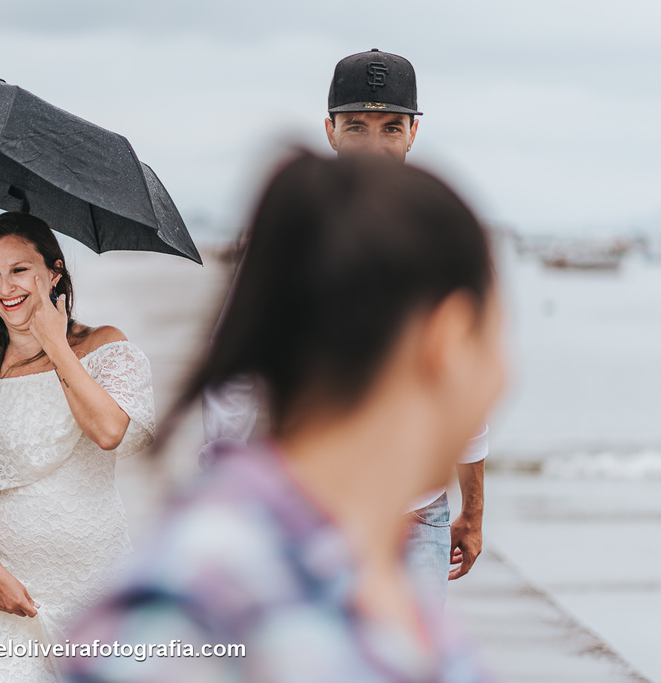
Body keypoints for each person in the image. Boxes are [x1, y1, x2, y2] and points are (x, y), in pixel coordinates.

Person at [66, 152, 506, 683]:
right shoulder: (212, 594)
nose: (504, 374)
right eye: (496, 335)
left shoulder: (365, 579)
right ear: (450, 340)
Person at [201, 49, 489, 603]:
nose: (374, 145)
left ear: (412, 134)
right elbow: (233, 388)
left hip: (416, 512)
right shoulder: (287, 240)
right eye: (357, 126)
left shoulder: (438, 236)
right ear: (330, 131)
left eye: (391, 127)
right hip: (307, 508)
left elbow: (463, 390)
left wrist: (472, 512)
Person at [0, 212, 156, 683]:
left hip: (98, 586)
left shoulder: (105, 345)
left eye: (19, 270)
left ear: (53, 273)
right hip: (4, 598)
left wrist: (55, 344)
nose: (5, 287)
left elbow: (110, 431)